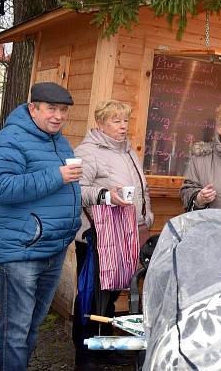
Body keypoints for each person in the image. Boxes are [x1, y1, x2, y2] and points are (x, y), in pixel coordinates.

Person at [0, 82, 81, 371]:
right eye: (51, 109)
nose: (58, 116)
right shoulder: (10, 139)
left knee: (32, 327)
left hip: (52, 249)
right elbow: (0, 187)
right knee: (16, 330)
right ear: (32, 108)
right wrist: (57, 176)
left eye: (63, 110)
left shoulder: (59, 141)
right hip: (22, 251)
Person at [71, 99, 154, 359]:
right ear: (100, 124)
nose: (123, 126)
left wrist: (146, 216)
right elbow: (77, 191)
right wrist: (107, 195)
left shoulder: (128, 151)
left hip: (127, 233)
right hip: (97, 235)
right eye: (116, 121)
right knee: (94, 294)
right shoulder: (87, 151)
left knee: (113, 290)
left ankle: (103, 346)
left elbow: (142, 189)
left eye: (125, 121)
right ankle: (85, 351)